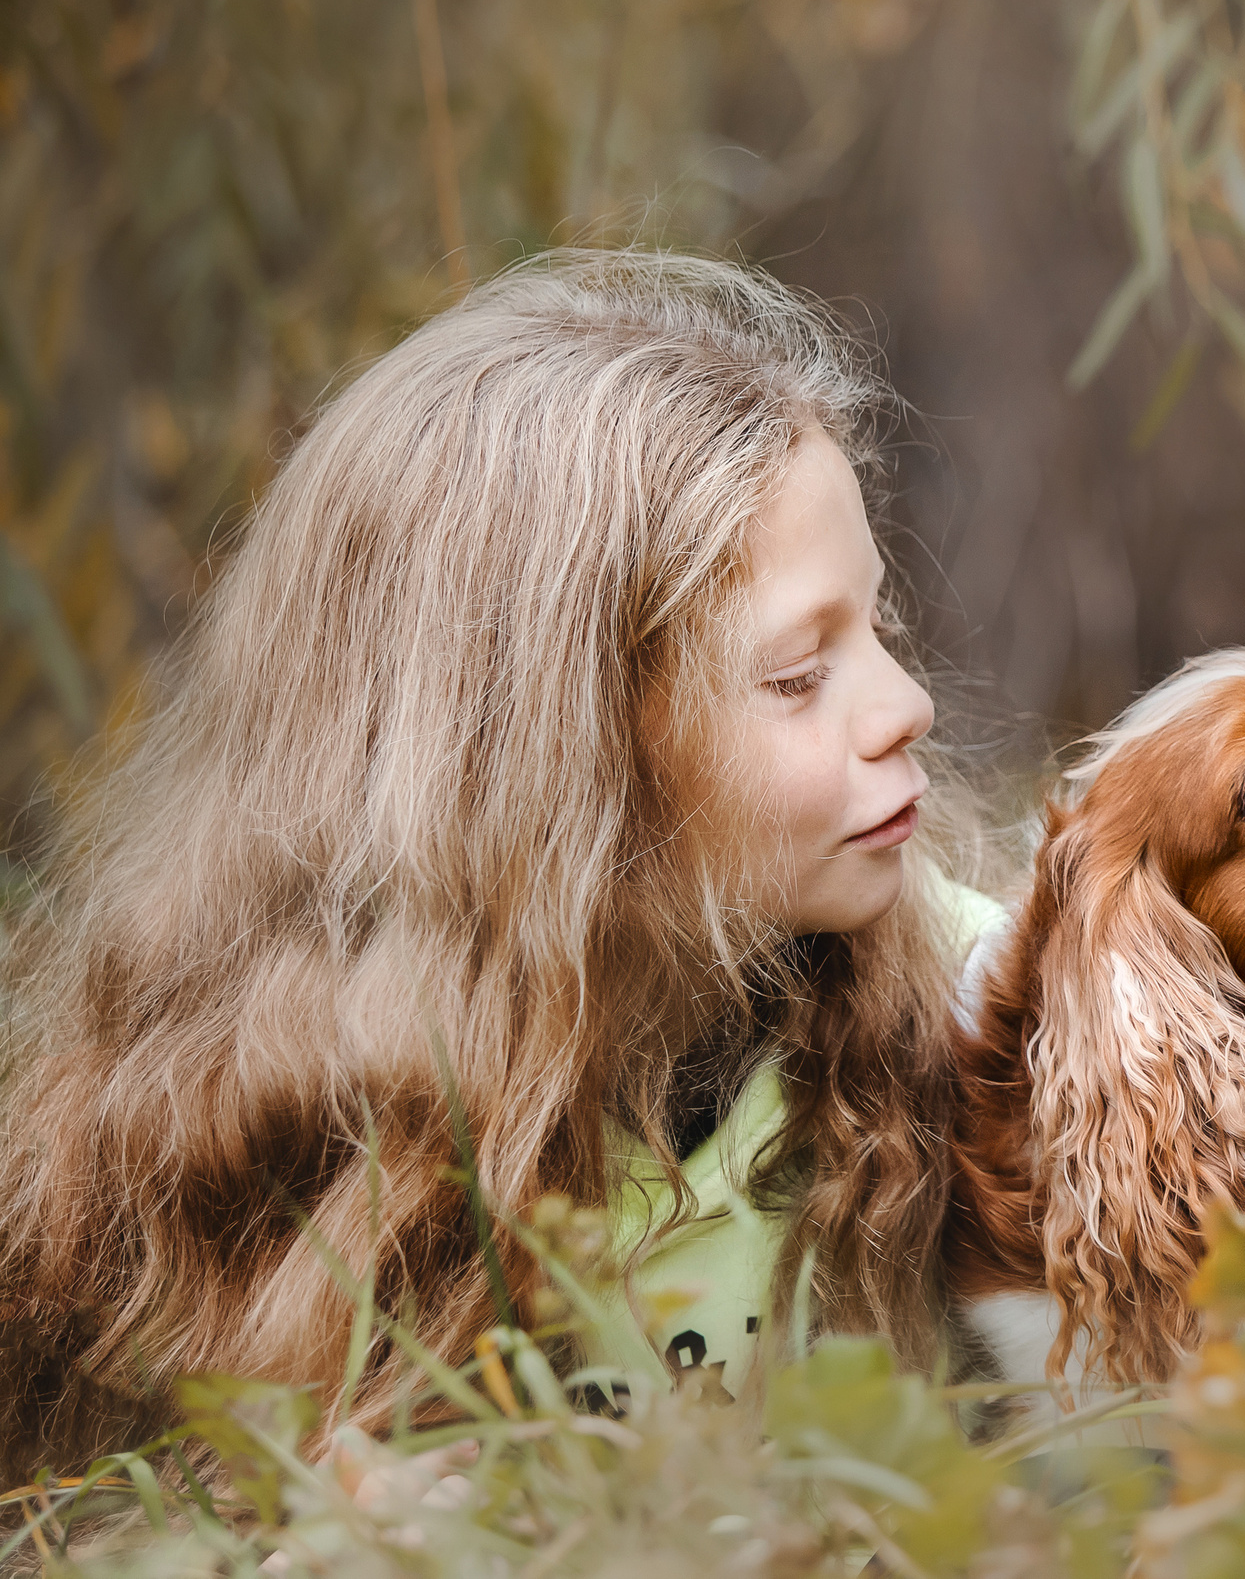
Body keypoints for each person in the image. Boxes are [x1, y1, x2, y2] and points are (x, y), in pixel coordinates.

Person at [0, 251, 993, 1475]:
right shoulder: (201, 1154)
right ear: (557, 770)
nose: (905, 705)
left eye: (880, 624)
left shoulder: (984, 1002)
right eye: (796, 676)